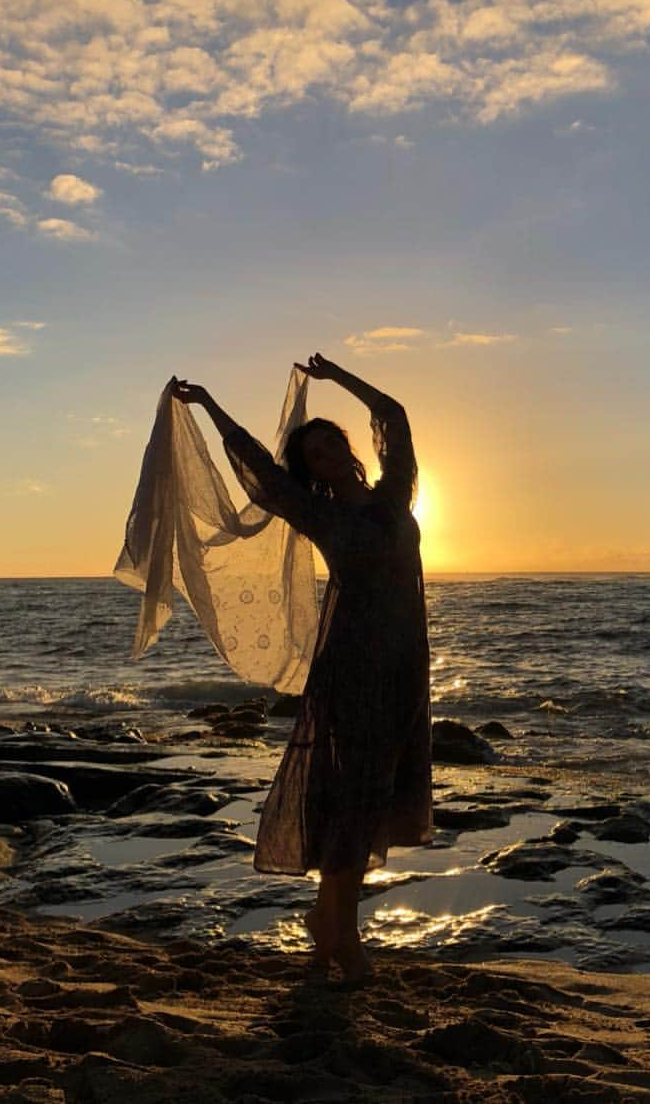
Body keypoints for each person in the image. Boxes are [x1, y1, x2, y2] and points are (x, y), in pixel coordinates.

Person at [171, 353, 433, 987]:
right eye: (316, 454)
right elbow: (256, 465)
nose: (331, 457)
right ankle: (342, 936)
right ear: (310, 470)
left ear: (350, 448)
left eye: (334, 445)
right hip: (352, 666)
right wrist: (208, 406)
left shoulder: (397, 494)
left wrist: (335, 375)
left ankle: (327, 925)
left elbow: (393, 415)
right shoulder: (318, 513)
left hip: (404, 663)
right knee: (357, 794)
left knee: (372, 798)